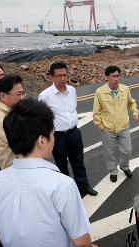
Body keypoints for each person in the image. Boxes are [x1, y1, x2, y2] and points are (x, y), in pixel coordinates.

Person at [0, 98, 101, 247]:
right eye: (52, 134)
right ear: (41, 141)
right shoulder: (62, 184)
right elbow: (81, 240)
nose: (53, 140)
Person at [38, 61, 97, 196]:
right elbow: (41, 118)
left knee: (78, 162)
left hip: (74, 133)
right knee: (61, 165)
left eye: (64, 75)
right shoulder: (45, 95)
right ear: (51, 77)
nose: (63, 78)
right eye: (59, 76)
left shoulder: (72, 90)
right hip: (57, 136)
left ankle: (84, 187)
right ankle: (66, 192)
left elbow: (72, 110)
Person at [93, 65, 139, 182]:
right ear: (107, 77)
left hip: (123, 127)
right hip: (108, 129)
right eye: (113, 76)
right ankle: (113, 170)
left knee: (127, 150)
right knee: (109, 152)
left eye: (118, 76)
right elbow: (96, 111)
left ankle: (124, 166)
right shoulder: (100, 92)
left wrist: (135, 112)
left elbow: (131, 102)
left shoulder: (125, 89)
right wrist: (101, 126)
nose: (116, 79)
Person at [0, 75, 26, 169]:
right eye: (18, 94)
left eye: (23, 93)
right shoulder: (2, 120)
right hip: (16, 171)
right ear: (3, 96)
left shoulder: (10, 114)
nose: (22, 98)